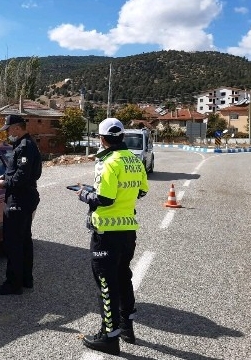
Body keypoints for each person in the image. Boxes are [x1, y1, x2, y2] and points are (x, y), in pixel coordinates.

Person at [74, 117, 149, 356]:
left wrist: (85, 194)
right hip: (128, 231)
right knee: (123, 277)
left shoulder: (109, 163)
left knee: (106, 285)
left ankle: (109, 336)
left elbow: (104, 199)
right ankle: (127, 328)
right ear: (122, 136)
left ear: (103, 139)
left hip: (106, 233)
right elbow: (142, 191)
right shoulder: (134, 161)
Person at [0, 114, 42, 295]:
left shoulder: (25, 147)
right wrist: (4, 177)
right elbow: (17, 172)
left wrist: (5, 183)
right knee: (24, 241)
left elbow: (23, 176)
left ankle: (13, 283)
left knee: (14, 243)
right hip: (23, 198)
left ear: (16, 128)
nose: (7, 134)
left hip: (19, 199)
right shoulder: (23, 145)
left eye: (8, 130)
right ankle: (26, 279)